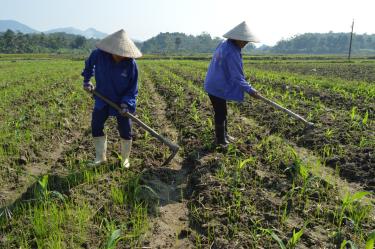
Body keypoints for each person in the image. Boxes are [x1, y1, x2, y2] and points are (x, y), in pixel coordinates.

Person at [81, 29, 142, 168]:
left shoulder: (131, 64)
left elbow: (133, 89)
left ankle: (125, 159)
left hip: (122, 102)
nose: (120, 56)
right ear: (111, 49)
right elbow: (89, 66)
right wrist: (87, 81)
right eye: (118, 53)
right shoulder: (98, 55)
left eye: (123, 54)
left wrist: (126, 104)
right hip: (102, 97)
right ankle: (100, 157)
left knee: (125, 130)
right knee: (96, 126)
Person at [204, 21, 260, 146]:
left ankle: (224, 134)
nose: (246, 44)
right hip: (217, 86)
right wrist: (250, 90)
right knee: (221, 112)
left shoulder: (225, 44)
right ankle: (220, 140)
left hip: (215, 82)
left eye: (247, 41)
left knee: (222, 111)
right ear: (237, 38)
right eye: (244, 41)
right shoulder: (232, 52)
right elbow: (237, 76)